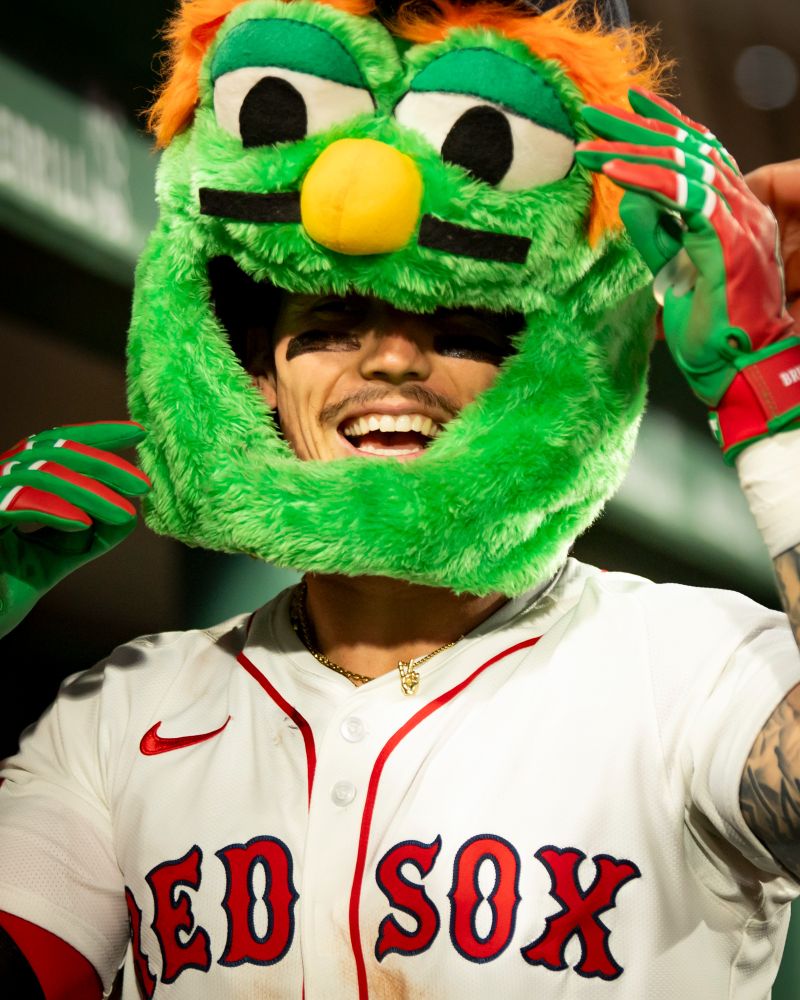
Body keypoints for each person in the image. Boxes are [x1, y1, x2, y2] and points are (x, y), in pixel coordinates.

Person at [0, 0, 799, 996]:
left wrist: (778, 418)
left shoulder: (689, 665)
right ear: (261, 378)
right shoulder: (124, 709)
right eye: (331, 324)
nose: (389, 361)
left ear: (532, 379)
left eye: (458, 329)